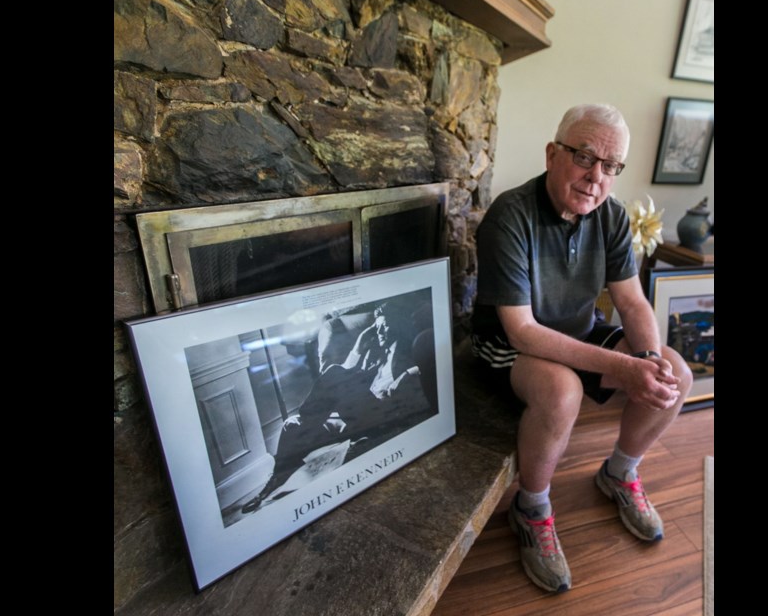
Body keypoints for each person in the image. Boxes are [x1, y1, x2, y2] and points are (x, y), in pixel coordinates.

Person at [471, 104, 693, 593]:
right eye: (585, 157)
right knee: (561, 388)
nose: (596, 177)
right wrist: (623, 368)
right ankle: (531, 508)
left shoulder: (610, 217)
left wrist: (650, 362)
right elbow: (522, 332)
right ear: (553, 154)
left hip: (575, 330)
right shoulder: (510, 215)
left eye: (611, 167)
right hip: (503, 343)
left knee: (677, 373)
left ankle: (620, 472)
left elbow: (632, 301)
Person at [243, 301, 425, 513]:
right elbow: (348, 376)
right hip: (355, 414)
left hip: (382, 412)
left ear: (396, 326)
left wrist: (404, 376)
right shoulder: (373, 351)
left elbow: (416, 371)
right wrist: (359, 347)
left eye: (385, 326)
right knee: (291, 425)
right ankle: (273, 483)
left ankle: (307, 423)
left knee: (334, 373)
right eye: (378, 326)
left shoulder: (404, 350)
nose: (381, 330)